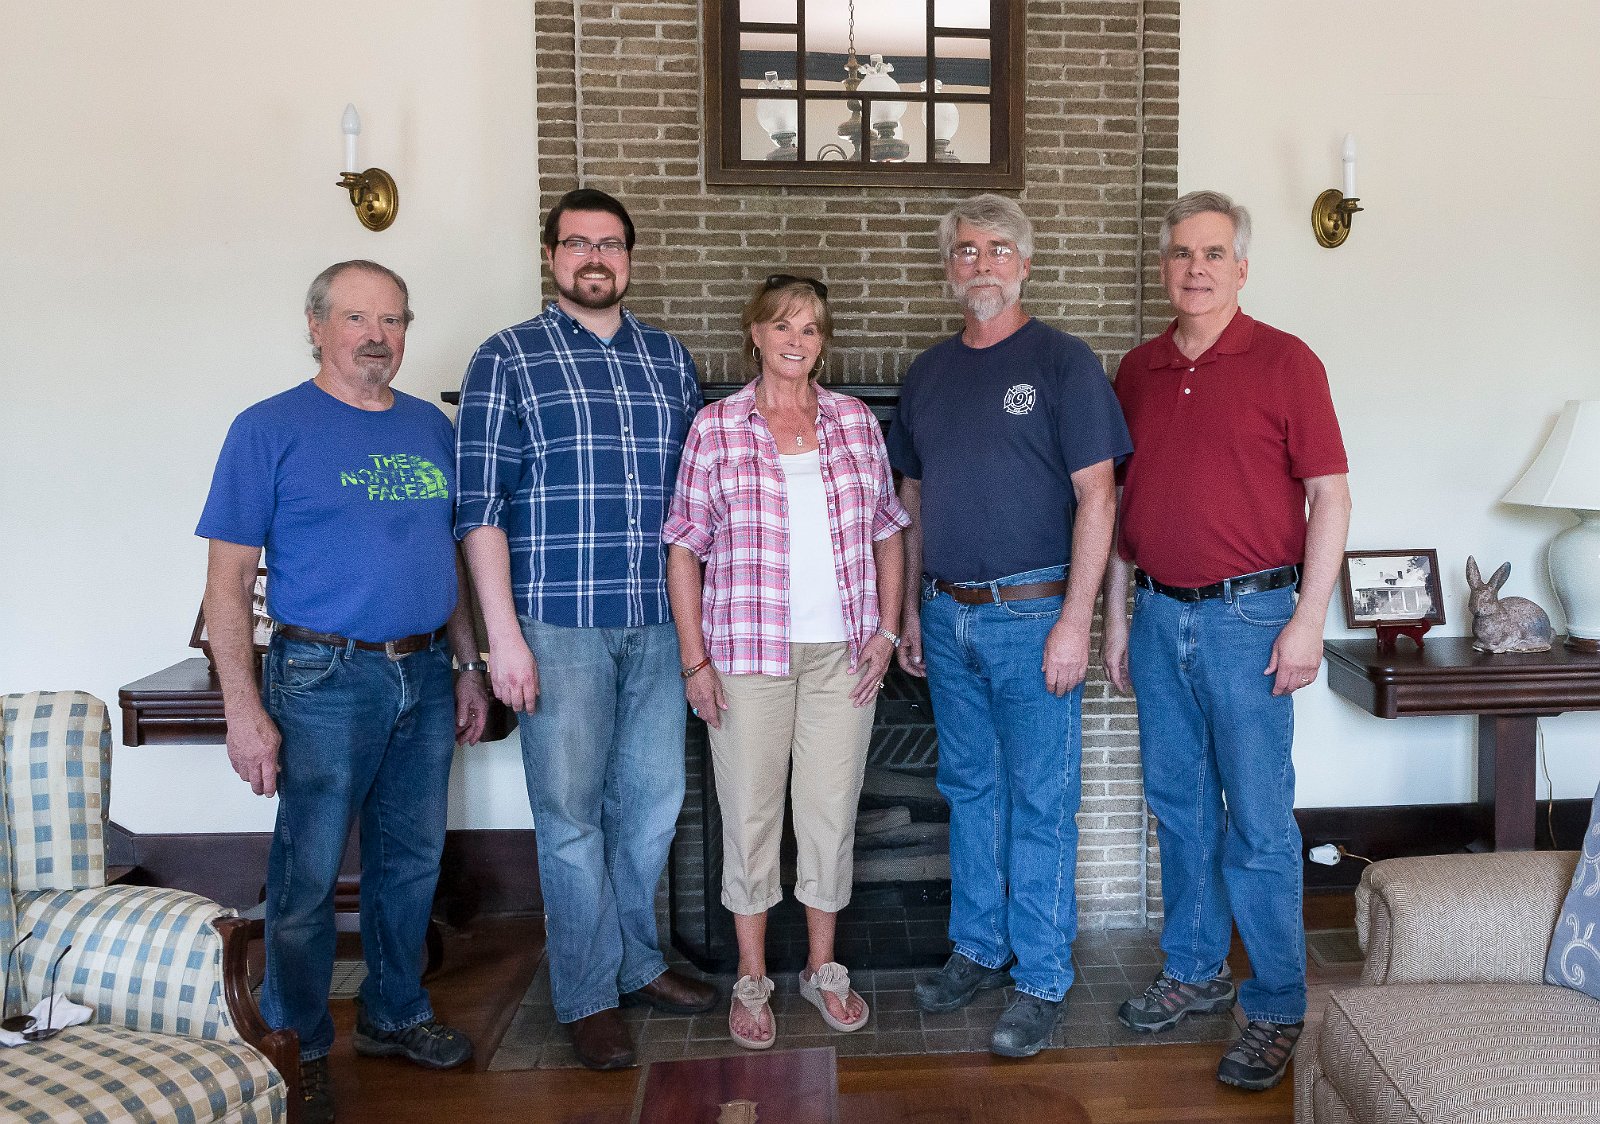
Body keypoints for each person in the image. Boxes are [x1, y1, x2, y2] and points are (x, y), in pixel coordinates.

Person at [198, 260, 489, 1124]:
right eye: (358, 318)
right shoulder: (267, 429)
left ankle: (396, 1014)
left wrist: (467, 665)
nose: (378, 336)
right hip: (324, 675)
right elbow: (226, 583)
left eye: (394, 320)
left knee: (413, 862)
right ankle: (298, 1040)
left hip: (427, 669)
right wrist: (243, 711)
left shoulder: (433, 431)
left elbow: (455, 561)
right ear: (317, 326)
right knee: (309, 872)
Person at [454, 187, 715, 1071]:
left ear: (630, 258)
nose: (594, 257)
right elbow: (478, 508)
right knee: (568, 818)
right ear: (552, 256)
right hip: (555, 625)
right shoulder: (508, 359)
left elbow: (696, 505)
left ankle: (638, 962)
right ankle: (587, 992)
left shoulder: (670, 361)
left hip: (657, 621)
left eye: (610, 244)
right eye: (577, 244)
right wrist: (502, 640)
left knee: (649, 811)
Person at [1101, 190, 1351, 1091]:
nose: (1194, 268)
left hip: (1254, 620)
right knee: (1177, 808)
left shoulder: (1287, 362)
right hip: (1162, 616)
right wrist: (1119, 618)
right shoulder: (1136, 370)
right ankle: (1198, 971)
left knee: (1257, 820)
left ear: (1241, 267)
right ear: (1164, 268)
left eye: (1212, 254)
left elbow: (1331, 498)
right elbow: (1126, 509)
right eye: (1180, 254)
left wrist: (1308, 622)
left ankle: (1278, 1002)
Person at [888, 194, 1131, 1058]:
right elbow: (911, 500)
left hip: (1034, 618)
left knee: (1040, 801)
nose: (980, 264)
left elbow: (1100, 496)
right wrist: (915, 607)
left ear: (1024, 264)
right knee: (969, 793)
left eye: (997, 250)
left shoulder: (1064, 363)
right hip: (948, 615)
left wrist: (1077, 621)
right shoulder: (926, 373)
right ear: (949, 267)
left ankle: (1040, 977)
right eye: (965, 251)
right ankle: (980, 948)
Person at [663, 275, 909, 1050]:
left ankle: (823, 971)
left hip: (844, 656)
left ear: (821, 342)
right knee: (750, 819)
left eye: (810, 329)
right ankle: (751, 978)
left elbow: (888, 527)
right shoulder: (716, 426)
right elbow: (683, 544)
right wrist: (693, 661)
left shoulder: (855, 422)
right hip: (744, 655)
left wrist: (888, 631)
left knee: (830, 819)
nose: (796, 341)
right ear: (757, 335)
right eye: (782, 326)